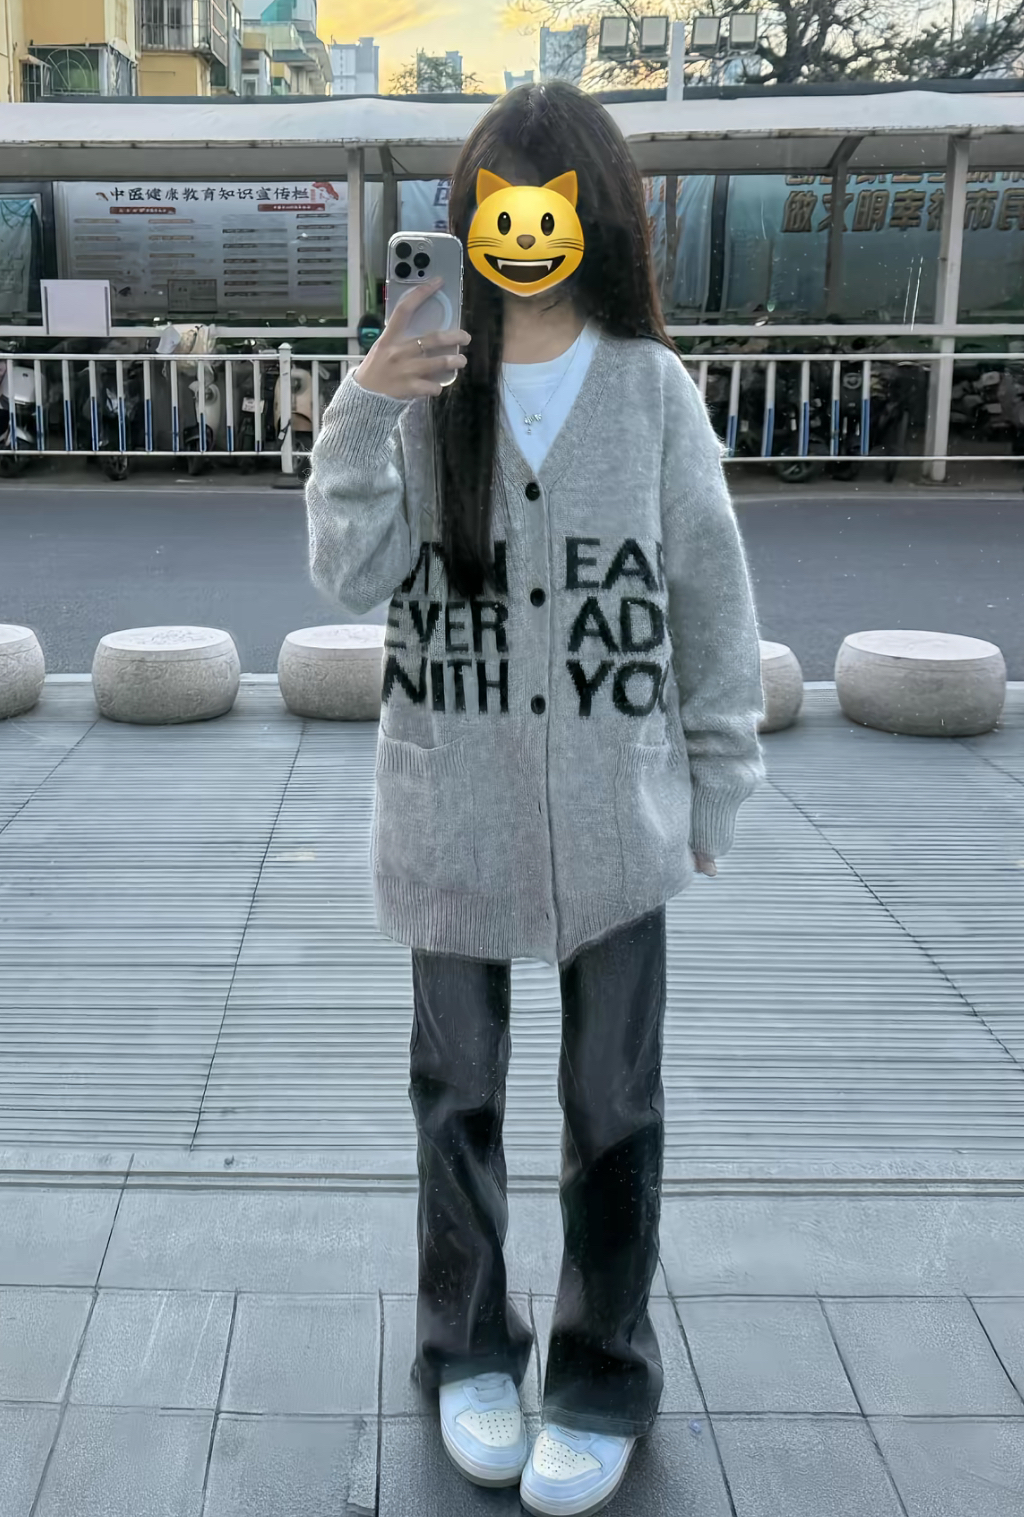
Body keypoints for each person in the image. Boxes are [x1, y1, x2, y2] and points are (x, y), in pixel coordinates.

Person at [305, 81, 764, 1515]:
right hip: (453, 808)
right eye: (495, 208)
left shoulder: (649, 387)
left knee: (613, 1106)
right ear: (467, 220)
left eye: (547, 209)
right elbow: (352, 577)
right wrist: (363, 407)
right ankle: (466, 1352)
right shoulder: (426, 381)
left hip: (618, 816)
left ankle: (602, 1369)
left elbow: (709, 588)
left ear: (593, 219)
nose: (521, 237)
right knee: (456, 1099)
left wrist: (718, 777)